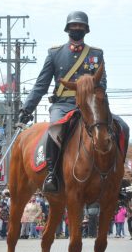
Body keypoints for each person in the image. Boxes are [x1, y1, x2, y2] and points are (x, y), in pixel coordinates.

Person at [18, 11, 107, 192]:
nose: (77, 29)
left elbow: (102, 84)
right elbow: (41, 85)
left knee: (120, 128)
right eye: (74, 26)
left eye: (81, 26)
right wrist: (27, 109)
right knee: (54, 130)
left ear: (86, 30)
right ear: (68, 29)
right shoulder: (55, 54)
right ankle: (52, 173)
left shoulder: (96, 54)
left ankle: (114, 176)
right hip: (63, 104)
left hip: (90, 106)